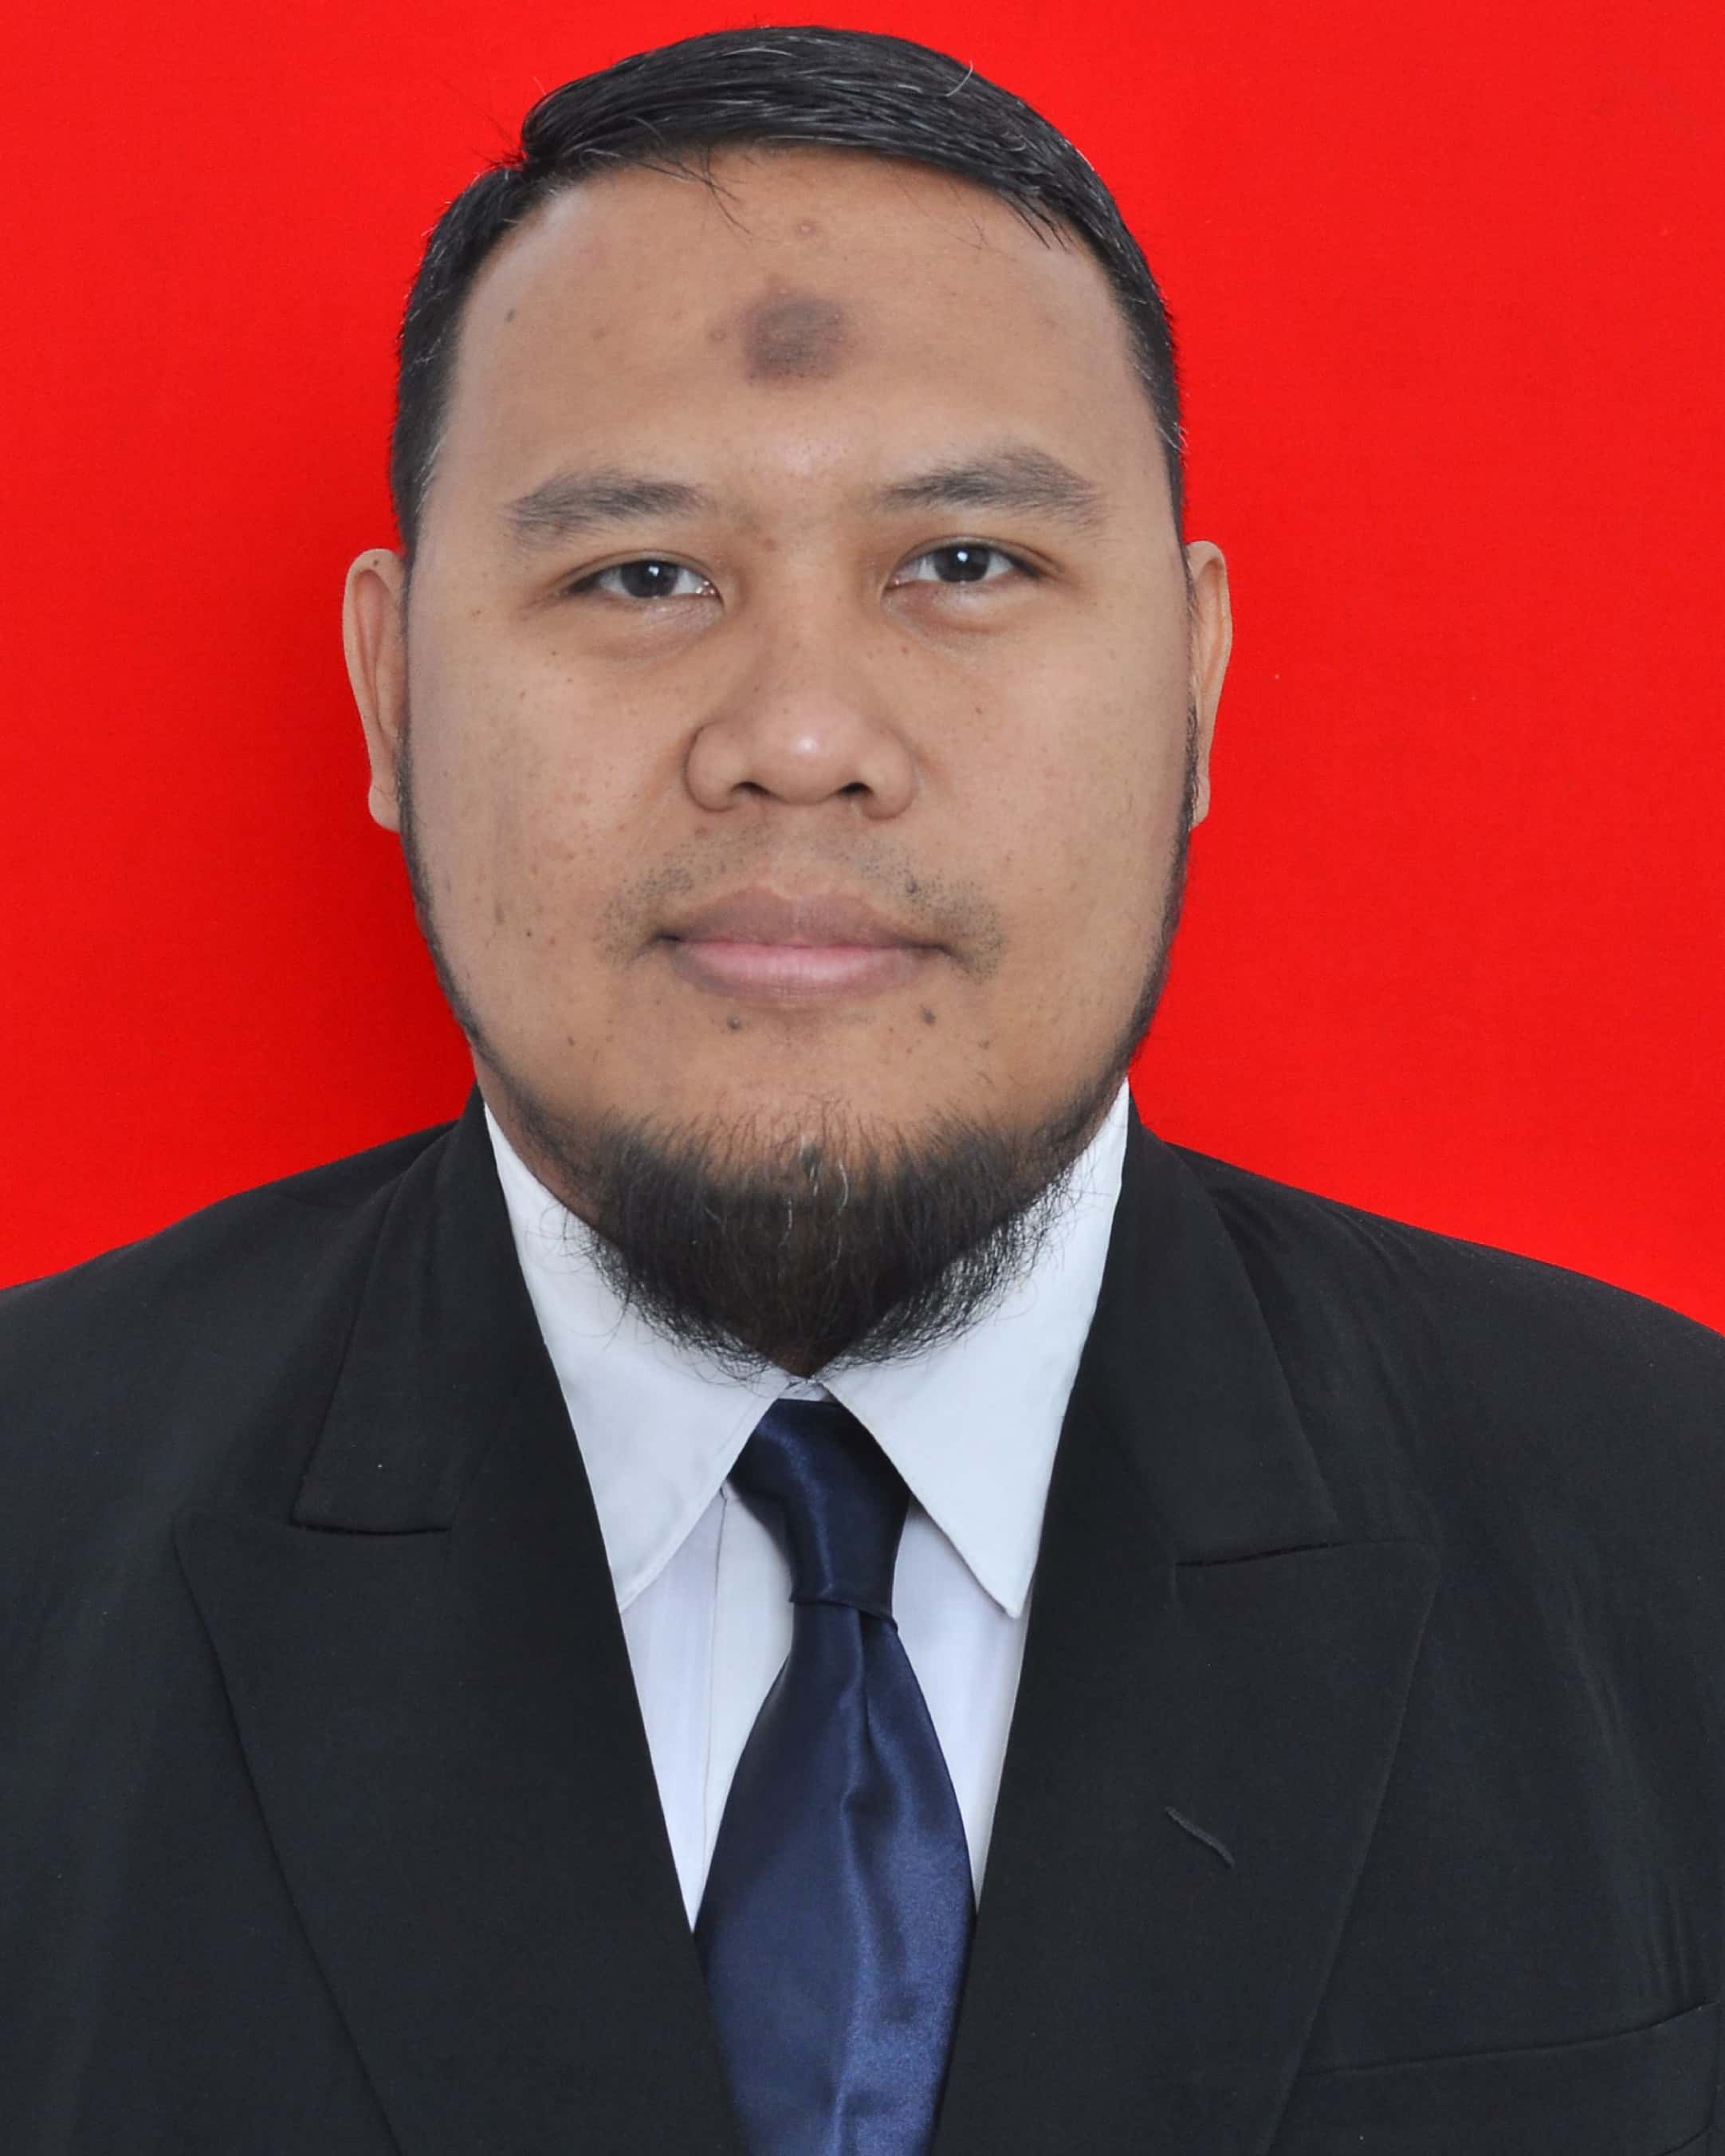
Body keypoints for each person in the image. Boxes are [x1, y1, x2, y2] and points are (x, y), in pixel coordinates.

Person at [4, 23, 1723, 2154]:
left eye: (964, 563)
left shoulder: (1675, 1530)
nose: (800, 738)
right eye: (640, 575)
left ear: (1194, 682)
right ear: (388, 686)